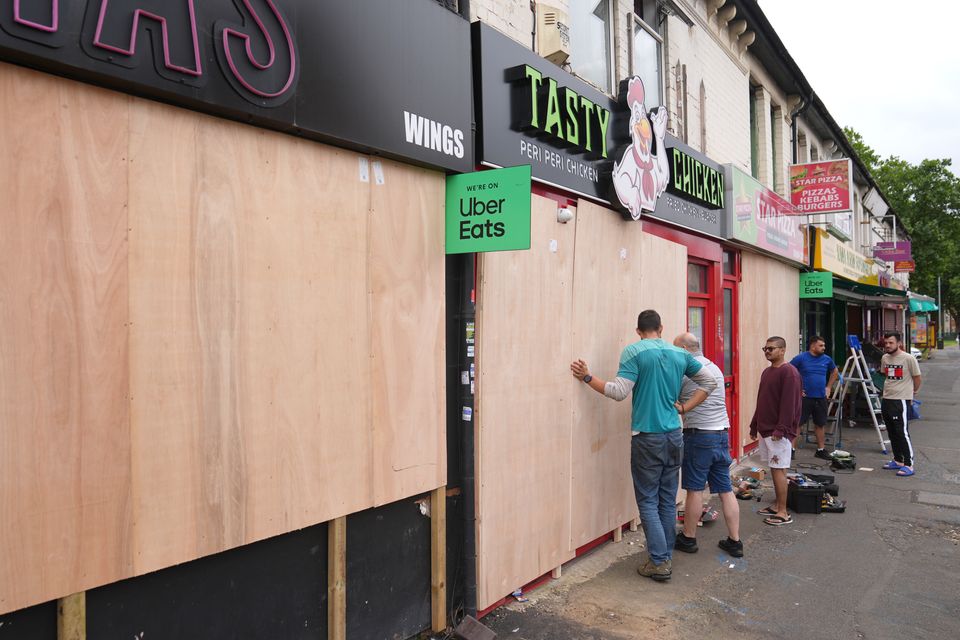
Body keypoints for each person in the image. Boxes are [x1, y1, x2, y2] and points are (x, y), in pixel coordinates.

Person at [570, 310, 717, 582]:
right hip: (674, 434)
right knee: (666, 498)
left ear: (638, 330)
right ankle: (665, 555)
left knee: (648, 500)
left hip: (648, 438)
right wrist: (685, 407)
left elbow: (618, 391)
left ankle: (660, 562)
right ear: (661, 328)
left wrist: (587, 377)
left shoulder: (634, 352)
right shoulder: (680, 354)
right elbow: (709, 382)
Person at [671, 333, 742, 558]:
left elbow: (671, 399)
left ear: (684, 349)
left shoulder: (686, 372)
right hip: (722, 434)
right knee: (725, 489)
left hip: (699, 436)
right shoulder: (715, 368)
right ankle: (735, 541)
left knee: (694, 490)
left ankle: (688, 538)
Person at [749, 336, 802, 526]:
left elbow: (790, 405)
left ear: (782, 350)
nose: (767, 352)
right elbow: (762, 400)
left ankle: (783, 511)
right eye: (765, 348)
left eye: (771, 349)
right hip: (766, 429)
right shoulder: (767, 372)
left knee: (780, 469)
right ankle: (776, 505)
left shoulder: (790, 373)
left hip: (778, 432)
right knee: (774, 468)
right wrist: (754, 424)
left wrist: (781, 429)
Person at [790, 335, 840, 460]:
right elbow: (789, 371)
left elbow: (835, 372)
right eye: (821, 345)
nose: (824, 348)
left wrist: (828, 387)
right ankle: (791, 450)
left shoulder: (827, 359)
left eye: (824, 345)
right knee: (797, 424)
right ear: (813, 346)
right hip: (805, 398)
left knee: (820, 424)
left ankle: (820, 450)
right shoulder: (801, 358)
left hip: (820, 397)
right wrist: (797, 389)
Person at [880, 331, 922, 477]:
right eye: (886, 343)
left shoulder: (908, 358)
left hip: (900, 400)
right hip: (887, 398)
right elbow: (886, 375)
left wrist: (912, 393)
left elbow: (917, 378)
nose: (888, 345)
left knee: (902, 432)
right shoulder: (885, 357)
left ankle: (909, 465)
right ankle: (898, 460)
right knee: (891, 431)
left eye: (891, 342)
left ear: (899, 343)